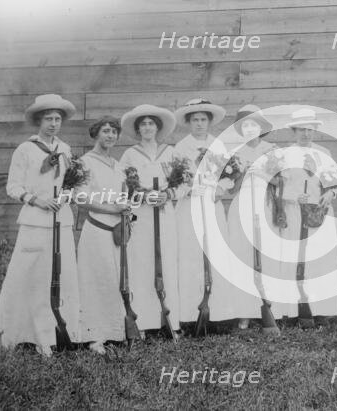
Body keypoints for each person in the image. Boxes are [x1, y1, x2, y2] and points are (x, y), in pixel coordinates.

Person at [0, 94, 80, 357]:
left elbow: (70, 184)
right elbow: (13, 186)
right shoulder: (25, 149)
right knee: (29, 276)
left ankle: (59, 335)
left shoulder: (66, 149)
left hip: (60, 220)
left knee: (61, 276)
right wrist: (37, 200)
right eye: (48, 118)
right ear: (39, 121)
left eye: (57, 119)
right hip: (35, 222)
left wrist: (65, 197)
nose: (53, 123)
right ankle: (20, 333)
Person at [172, 98, 237, 326]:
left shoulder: (218, 145)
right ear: (189, 123)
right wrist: (190, 189)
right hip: (190, 206)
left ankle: (219, 314)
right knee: (191, 256)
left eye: (203, 119)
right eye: (195, 120)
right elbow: (176, 180)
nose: (199, 124)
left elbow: (231, 175)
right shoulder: (181, 147)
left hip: (212, 205)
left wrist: (221, 188)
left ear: (209, 122)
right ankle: (190, 315)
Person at [119, 104, 180, 337]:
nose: (147, 127)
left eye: (151, 123)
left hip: (165, 214)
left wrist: (168, 194)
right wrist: (143, 195)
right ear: (137, 129)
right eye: (142, 124)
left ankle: (171, 321)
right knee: (142, 261)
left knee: (167, 260)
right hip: (142, 215)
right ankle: (143, 322)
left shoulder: (171, 152)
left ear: (158, 127)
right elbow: (123, 186)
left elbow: (184, 182)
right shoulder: (130, 154)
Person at [278, 108, 337, 324]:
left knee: (320, 260)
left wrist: (330, 193)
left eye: (310, 129)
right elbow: (277, 189)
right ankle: (294, 311)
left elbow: (336, 184)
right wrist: (294, 197)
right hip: (295, 212)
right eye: (301, 130)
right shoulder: (284, 155)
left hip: (318, 212)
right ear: (294, 131)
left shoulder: (324, 152)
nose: (305, 134)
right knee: (294, 258)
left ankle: (321, 311)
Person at [76, 116, 131, 354]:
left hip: (117, 230)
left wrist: (126, 205)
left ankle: (114, 332)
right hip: (97, 227)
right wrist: (112, 208)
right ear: (96, 134)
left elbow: (123, 195)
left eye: (114, 132)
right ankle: (93, 337)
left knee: (113, 278)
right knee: (94, 279)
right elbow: (81, 198)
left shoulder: (117, 165)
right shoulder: (84, 163)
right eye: (106, 131)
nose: (110, 136)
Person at [226, 105, 283, 328]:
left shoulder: (272, 148)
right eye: (246, 125)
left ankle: (270, 309)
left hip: (266, 204)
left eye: (254, 124)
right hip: (242, 205)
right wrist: (243, 173)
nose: (250, 128)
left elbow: (280, 181)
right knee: (242, 256)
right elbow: (232, 189)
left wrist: (259, 171)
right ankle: (245, 312)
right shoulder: (233, 152)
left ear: (261, 127)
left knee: (266, 257)